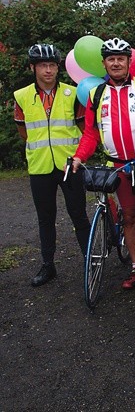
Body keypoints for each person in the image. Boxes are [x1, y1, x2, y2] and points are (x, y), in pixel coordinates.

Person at [72, 38, 135, 288]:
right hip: (118, 168)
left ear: (129, 62)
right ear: (104, 63)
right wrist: (80, 156)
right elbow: (90, 133)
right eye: (110, 59)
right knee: (130, 217)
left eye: (120, 58)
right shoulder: (96, 93)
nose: (116, 63)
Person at [14, 44, 90, 286]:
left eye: (52, 65)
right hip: (40, 167)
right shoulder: (22, 96)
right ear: (32, 68)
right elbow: (23, 131)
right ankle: (48, 265)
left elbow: (82, 128)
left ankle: (90, 262)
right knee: (45, 218)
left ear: (58, 68)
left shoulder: (72, 93)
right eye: (42, 66)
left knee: (78, 214)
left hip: (70, 165)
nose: (48, 70)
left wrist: (77, 155)